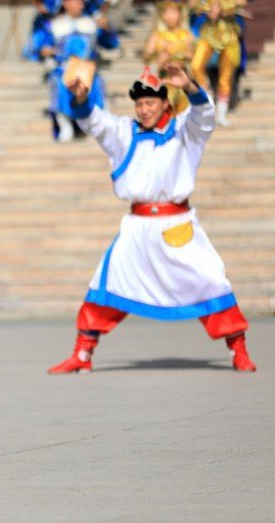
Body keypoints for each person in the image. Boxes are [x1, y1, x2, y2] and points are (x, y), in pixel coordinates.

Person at [48, 65, 256, 374]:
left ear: (165, 104)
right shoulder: (124, 132)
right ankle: (82, 354)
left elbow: (205, 115)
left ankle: (238, 350)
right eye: (139, 103)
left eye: (150, 102)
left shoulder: (186, 129)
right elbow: (95, 122)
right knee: (105, 283)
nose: (144, 109)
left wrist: (190, 87)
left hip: (178, 224)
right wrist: (81, 99)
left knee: (212, 279)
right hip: (137, 227)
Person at [31, 0, 119, 142]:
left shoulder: (92, 23)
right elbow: (39, 46)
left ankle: (100, 126)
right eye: (74, 0)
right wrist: (44, 49)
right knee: (58, 83)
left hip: (87, 68)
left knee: (98, 83)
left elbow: (111, 44)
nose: (79, 3)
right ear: (65, 3)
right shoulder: (54, 25)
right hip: (64, 69)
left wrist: (107, 29)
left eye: (81, 0)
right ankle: (66, 126)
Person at [190, 0, 246, 127]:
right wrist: (207, 8)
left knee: (226, 74)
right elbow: (194, 4)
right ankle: (208, 104)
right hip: (209, 32)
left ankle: (221, 113)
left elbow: (242, 1)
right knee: (196, 65)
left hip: (228, 33)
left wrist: (223, 8)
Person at [142, 0, 194, 114]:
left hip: (183, 82)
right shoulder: (157, 36)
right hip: (163, 82)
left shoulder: (186, 35)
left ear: (179, 13)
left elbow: (195, 57)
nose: (169, 16)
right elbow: (147, 56)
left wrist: (187, 55)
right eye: (166, 12)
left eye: (173, 12)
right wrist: (159, 56)